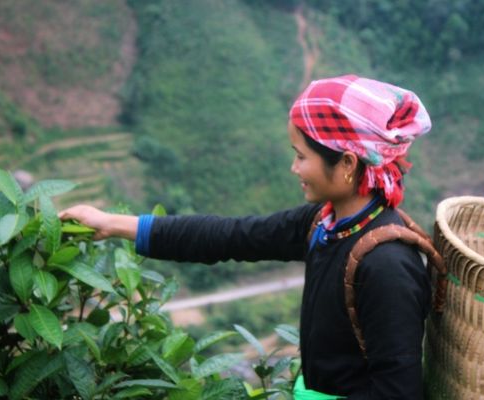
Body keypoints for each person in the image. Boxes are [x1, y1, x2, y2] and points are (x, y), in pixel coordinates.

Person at [60, 74, 433, 399]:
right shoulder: (323, 224)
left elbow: (397, 392)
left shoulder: (387, 265)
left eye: (301, 156)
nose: (294, 168)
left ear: (348, 163)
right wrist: (111, 224)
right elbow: (229, 236)